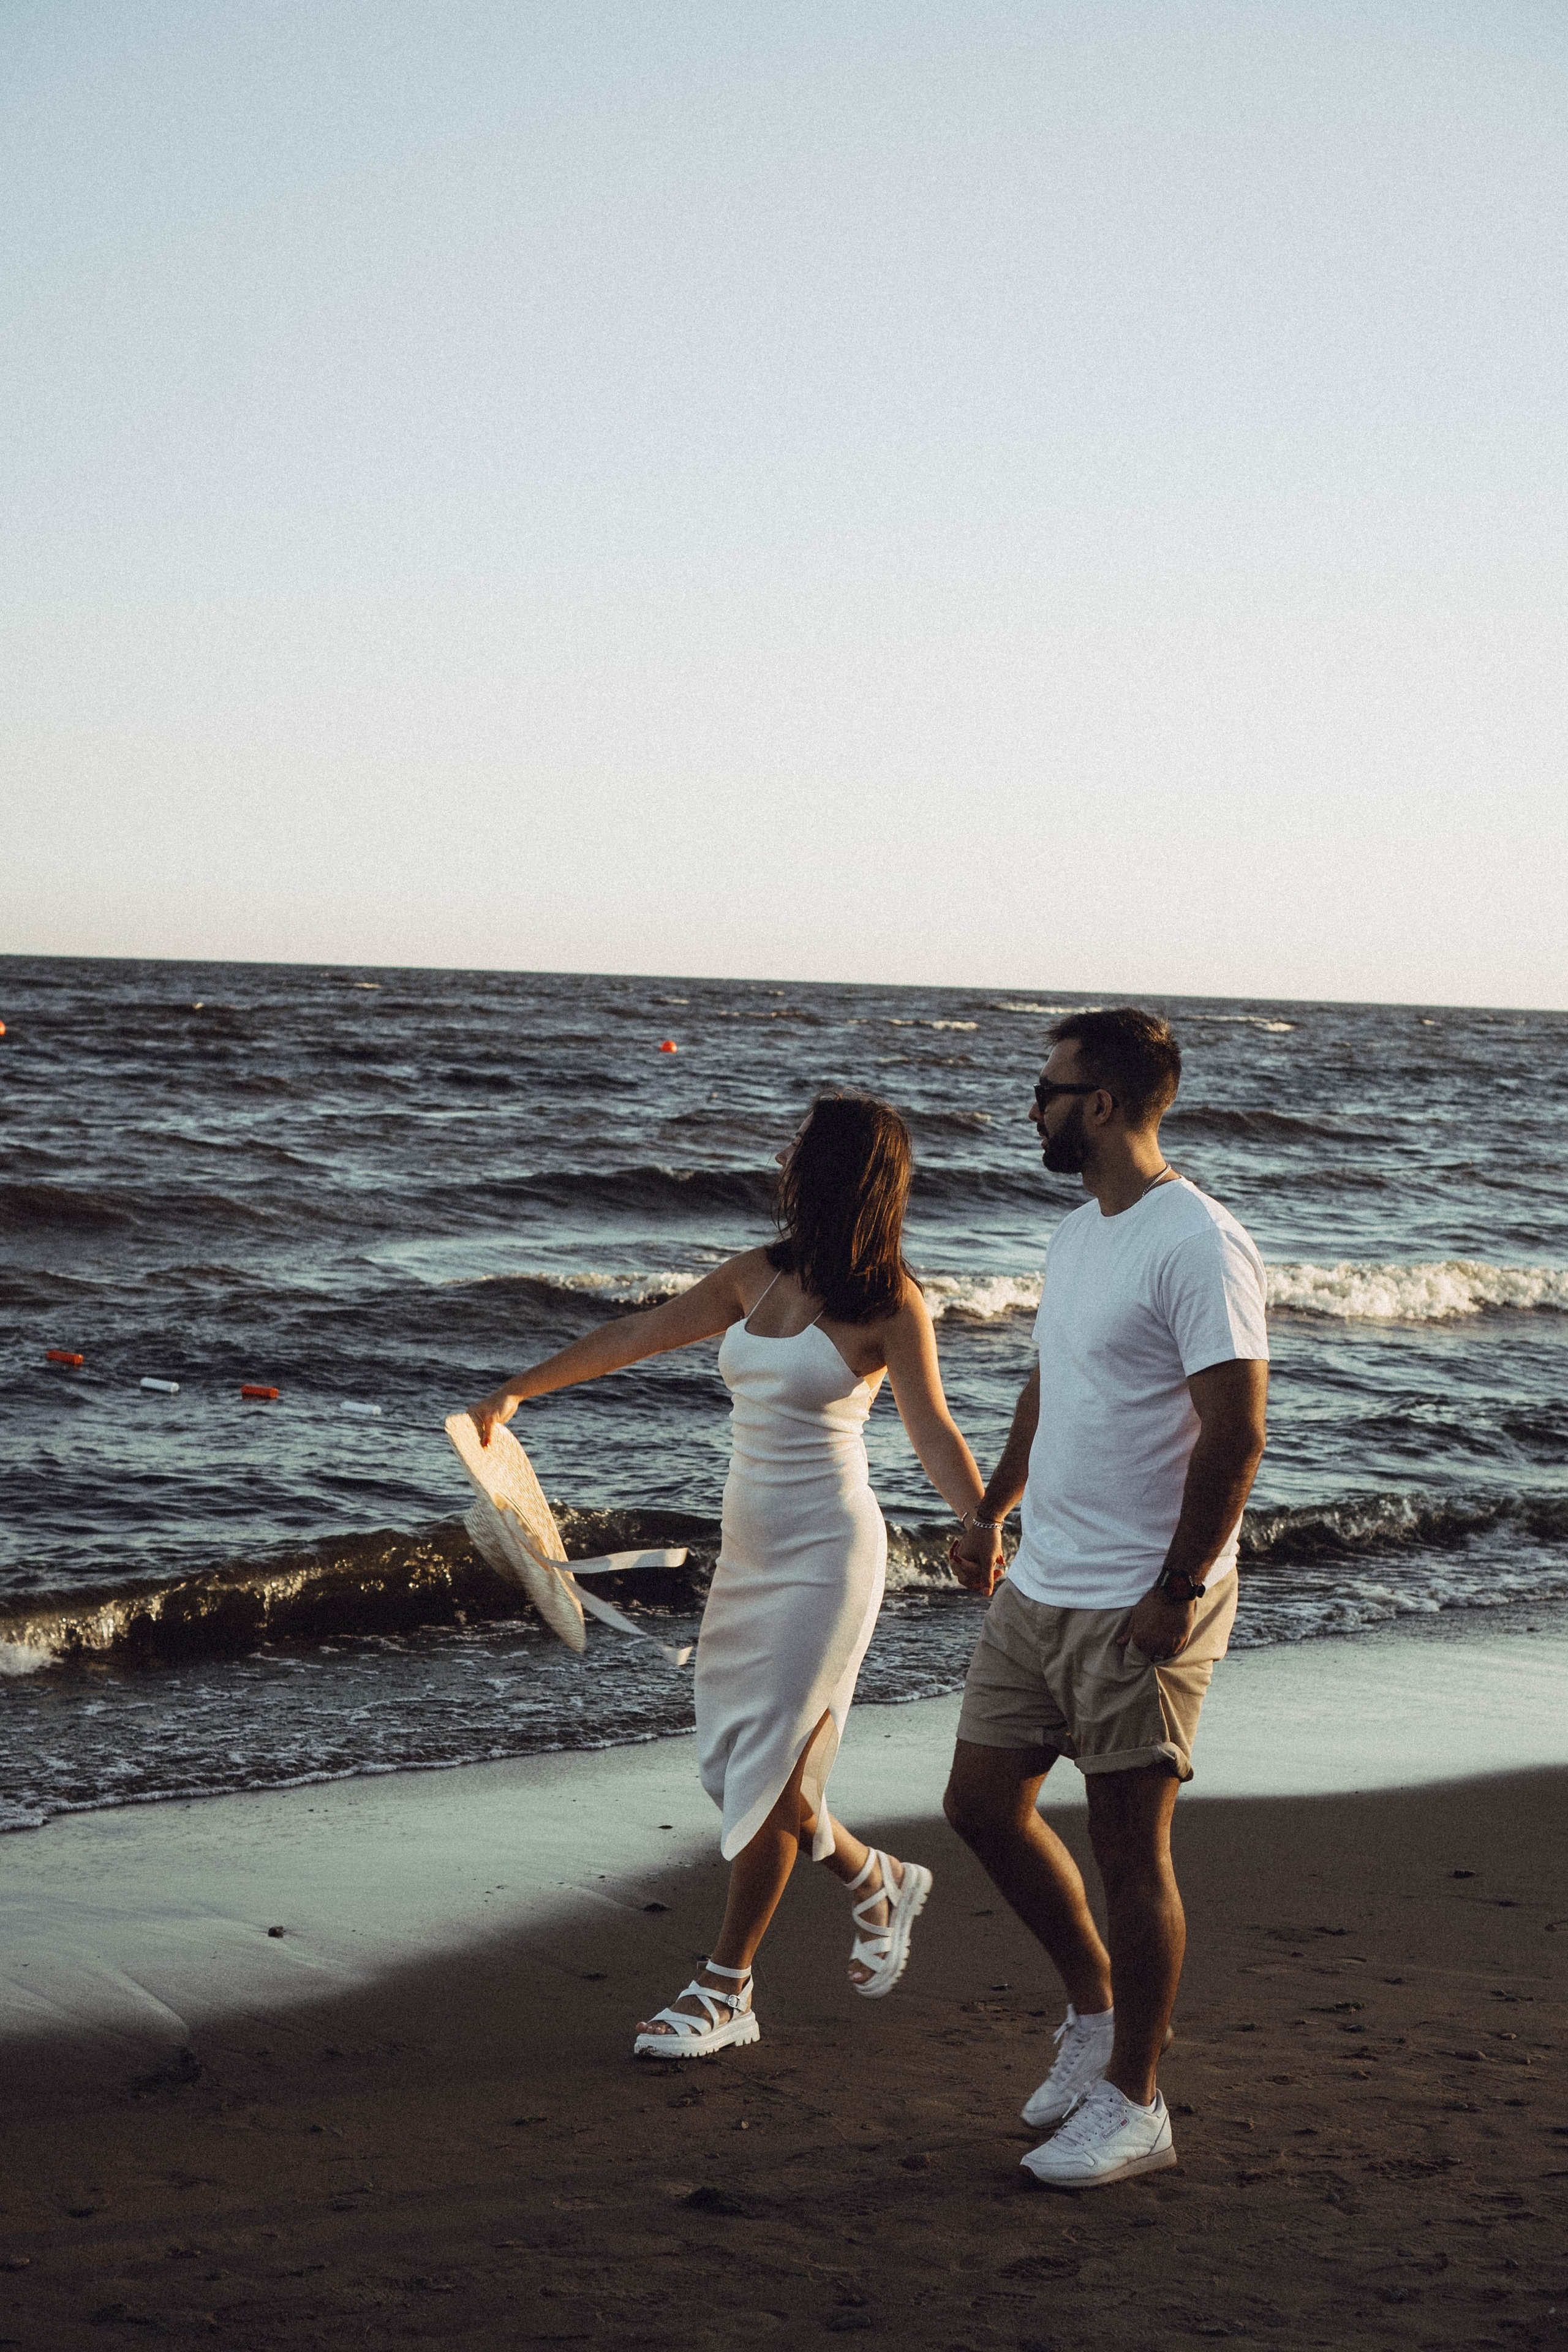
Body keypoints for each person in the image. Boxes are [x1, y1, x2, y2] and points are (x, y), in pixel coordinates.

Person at [470, 1093, 988, 2058]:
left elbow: (933, 1429)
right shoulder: (757, 1275)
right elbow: (636, 1335)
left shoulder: (891, 1305)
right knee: (741, 1772)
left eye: (803, 1144)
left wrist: (982, 1520)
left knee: (768, 1768)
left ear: (837, 1169)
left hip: (830, 1559)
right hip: (750, 1556)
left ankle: (727, 1989)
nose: (786, 1153)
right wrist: (519, 1388)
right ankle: (877, 1878)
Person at [944, 1009, 1268, 2188]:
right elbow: (1052, 1376)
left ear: (1108, 1104)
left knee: (1133, 1850)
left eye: (1051, 1088)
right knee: (980, 1804)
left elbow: (1237, 1436)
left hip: (1144, 1596)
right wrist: (995, 1502)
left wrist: (1177, 1588)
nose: (1034, 1104)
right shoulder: (1080, 1232)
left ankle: (1137, 2099)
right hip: (1044, 1582)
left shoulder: (1199, 1241)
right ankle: (1093, 2015)